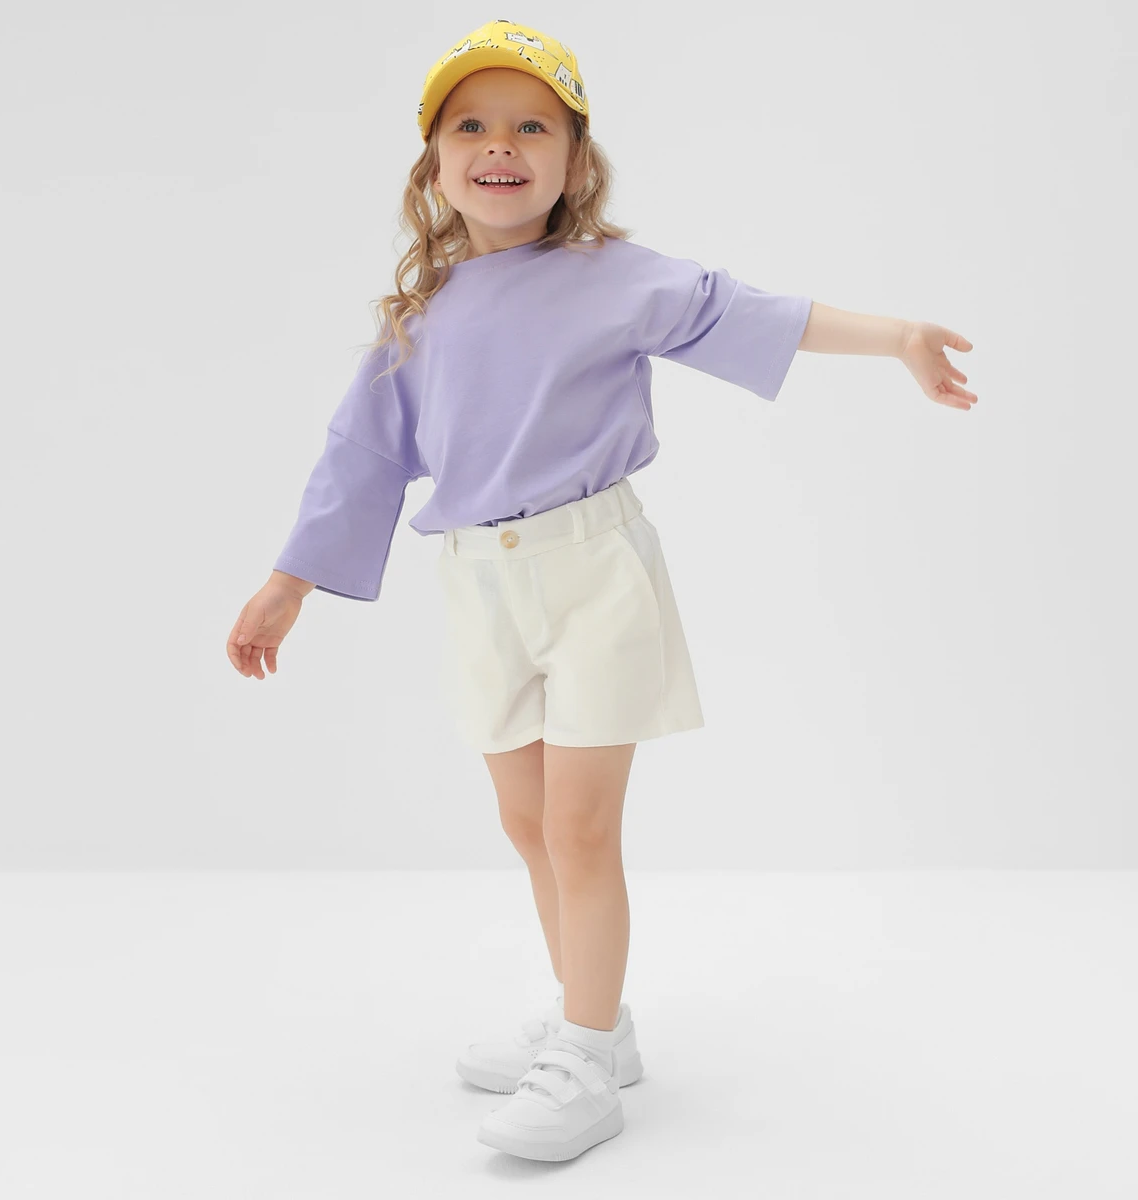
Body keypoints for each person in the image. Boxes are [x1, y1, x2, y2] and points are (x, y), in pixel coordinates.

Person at [224, 19, 978, 1163]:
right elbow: (360, 457)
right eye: (471, 125)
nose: (501, 145)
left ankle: (581, 1057)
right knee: (526, 823)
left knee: (580, 826)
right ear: (434, 163)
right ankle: (600, 1020)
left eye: (534, 126)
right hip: (478, 586)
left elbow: (744, 310)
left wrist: (900, 336)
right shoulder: (418, 318)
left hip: (592, 575)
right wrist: (289, 584)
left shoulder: (614, 279)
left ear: (577, 160)